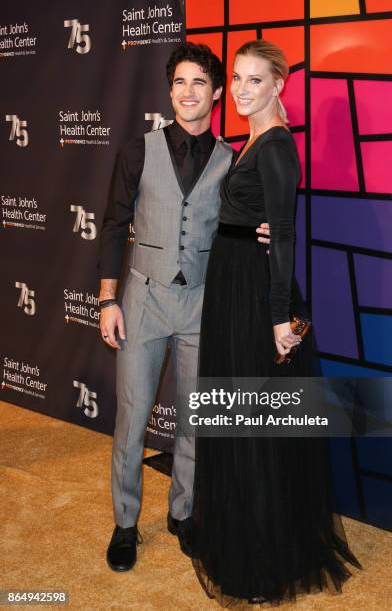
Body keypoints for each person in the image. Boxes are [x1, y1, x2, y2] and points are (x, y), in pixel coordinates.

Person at [190, 40, 362, 605]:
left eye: (254, 80)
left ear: (279, 85)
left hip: (256, 296)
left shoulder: (278, 145)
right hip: (233, 286)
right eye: (236, 78)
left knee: (257, 428)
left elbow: (283, 233)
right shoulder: (251, 140)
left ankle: (264, 564)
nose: (240, 89)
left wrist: (277, 318)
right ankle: (242, 539)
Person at [98, 42, 269, 572]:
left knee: (196, 418)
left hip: (201, 302)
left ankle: (184, 512)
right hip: (143, 299)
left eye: (199, 83)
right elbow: (111, 226)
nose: (187, 92)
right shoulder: (137, 150)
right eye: (179, 82)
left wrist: (258, 232)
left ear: (217, 94)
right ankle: (125, 523)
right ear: (169, 91)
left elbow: (232, 227)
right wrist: (107, 298)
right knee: (131, 418)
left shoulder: (232, 158)